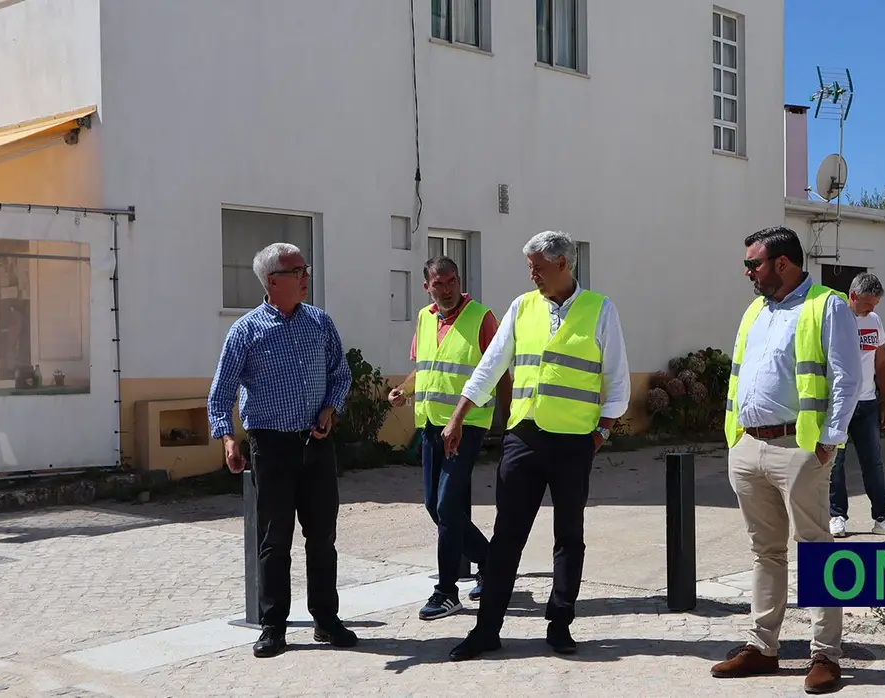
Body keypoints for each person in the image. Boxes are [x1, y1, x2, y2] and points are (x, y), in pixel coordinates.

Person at [440, 230, 630, 661]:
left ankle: (560, 623)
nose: (533, 277)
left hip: (574, 443)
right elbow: (491, 365)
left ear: (563, 264)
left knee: (569, 536)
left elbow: (617, 379)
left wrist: (600, 434)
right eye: (530, 269)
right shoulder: (522, 307)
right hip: (523, 439)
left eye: (538, 269)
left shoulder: (600, 309)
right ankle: (487, 628)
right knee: (507, 536)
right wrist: (457, 415)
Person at [710, 226, 860, 694]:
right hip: (748, 445)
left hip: (800, 447)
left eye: (754, 263)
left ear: (783, 263)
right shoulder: (755, 310)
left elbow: (846, 378)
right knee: (765, 551)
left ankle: (826, 655)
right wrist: (735, 437)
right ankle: (763, 647)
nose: (747, 272)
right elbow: (740, 376)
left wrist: (829, 439)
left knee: (815, 549)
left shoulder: (826, 305)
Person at [207, 242, 358, 658]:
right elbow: (220, 394)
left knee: (322, 538)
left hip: (316, 444)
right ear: (273, 282)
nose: (307, 277)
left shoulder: (319, 324)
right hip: (271, 448)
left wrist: (330, 408)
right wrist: (227, 437)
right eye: (298, 271)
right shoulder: (246, 331)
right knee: (275, 540)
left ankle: (326, 620)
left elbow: (339, 375)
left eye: (305, 269)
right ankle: (273, 626)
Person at [387, 255, 512, 620]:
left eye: (451, 281)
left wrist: (509, 424)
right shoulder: (425, 319)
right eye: (437, 284)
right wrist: (404, 391)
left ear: (460, 280)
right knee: (434, 506)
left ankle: (446, 591)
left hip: (467, 425)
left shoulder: (482, 318)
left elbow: (500, 371)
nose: (445, 289)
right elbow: (424, 368)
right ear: (427, 286)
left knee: (446, 507)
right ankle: (491, 563)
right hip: (430, 425)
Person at [828, 272, 885, 538]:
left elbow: (882, 363)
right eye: (868, 304)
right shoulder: (835, 319)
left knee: (873, 462)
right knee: (834, 463)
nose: (872, 309)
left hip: (867, 403)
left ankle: (882, 517)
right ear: (853, 296)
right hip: (839, 404)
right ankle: (836, 515)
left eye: (875, 305)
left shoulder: (874, 321)